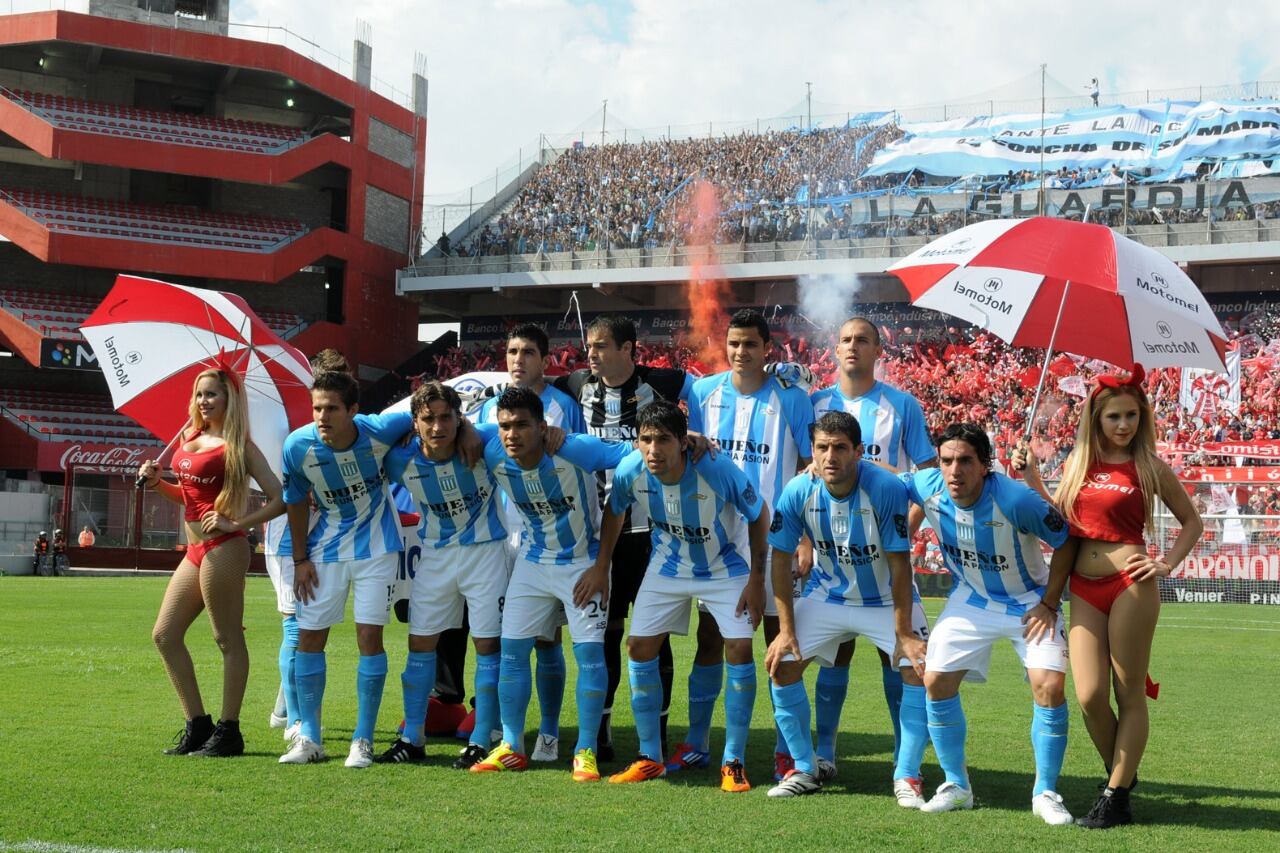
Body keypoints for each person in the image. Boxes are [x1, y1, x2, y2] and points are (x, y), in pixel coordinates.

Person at [1020, 366, 1203, 828]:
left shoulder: (1149, 466)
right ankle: (1122, 775)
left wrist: (1165, 563)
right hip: (1084, 587)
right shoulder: (1080, 464)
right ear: (1096, 420)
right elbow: (1061, 522)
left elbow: (1192, 523)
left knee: (1128, 692)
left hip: (1130, 585)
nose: (1124, 425)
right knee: (1089, 695)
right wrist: (1033, 479)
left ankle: (1115, 795)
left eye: (1131, 416)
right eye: (1114, 417)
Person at [900, 423, 1075, 825]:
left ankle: (1046, 792)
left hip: (1029, 601)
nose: (954, 470)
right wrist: (818, 469)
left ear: (985, 466)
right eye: (947, 460)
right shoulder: (928, 484)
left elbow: (1066, 541)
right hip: (971, 600)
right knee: (936, 681)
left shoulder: (1016, 499)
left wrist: (1049, 602)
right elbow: (883, 474)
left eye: (965, 461)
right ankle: (956, 786)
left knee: (1049, 686)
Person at [552, 314, 703, 762]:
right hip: (605, 533)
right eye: (589, 347)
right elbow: (540, 384)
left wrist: (695, 435)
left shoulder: (666, 382)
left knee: (655, 638)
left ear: (628, 348)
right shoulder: (579, 384)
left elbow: (715, 390)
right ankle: (599, 732)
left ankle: (653, 734)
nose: (591, 355)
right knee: (603, 634)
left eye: (600, 346)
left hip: (656, 534)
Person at [597, 401, 769, 792]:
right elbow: (614, 511)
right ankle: (649, 757)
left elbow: (759, 515)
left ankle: (733, 761)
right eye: (645, 440)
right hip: (668, 565)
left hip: (724, 568)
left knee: (739, 649)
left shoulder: (714, 468)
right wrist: (601, 565)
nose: (653, 449)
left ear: (682, 444)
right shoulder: (631, 470)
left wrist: (756, 580)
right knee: (639, 647)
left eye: (663, 440)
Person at [467, 386, 629, 783]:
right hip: (533, 563)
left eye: (522, 425)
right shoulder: (493, 450)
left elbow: (633, 453)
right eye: (505, 426)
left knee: (589, 655)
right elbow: (459, 429)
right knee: (512, 652)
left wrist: (602, 564)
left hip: (583, 564)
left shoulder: (575, 449)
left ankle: (585, 751)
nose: (511, 434)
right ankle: (511, 746)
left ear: (543, 427)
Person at [764, 411, 929, 799]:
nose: (830, 456)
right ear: (813, 452)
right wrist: (786, 632)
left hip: (885, 599)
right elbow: (780, 559)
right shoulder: (797, 490)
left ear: (858, 452)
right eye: (822, 448)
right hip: (828, 595)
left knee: (920, 671)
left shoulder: (885, 488)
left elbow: (900, 563)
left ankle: (907, 775)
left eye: (840, 448)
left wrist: (904, 633)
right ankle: (805, 768)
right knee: (781, 666)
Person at [683, 308, 814, 782]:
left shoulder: (792, 400)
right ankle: (697, 741)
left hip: (777, 538)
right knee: (710, 639)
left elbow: (808, 468)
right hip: (717, 541)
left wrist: (804, 536)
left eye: (751, 345)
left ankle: (786, 751)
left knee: (783, 641)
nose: (741, 353)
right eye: (734, 344)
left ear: (767, 349)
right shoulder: (703, 393)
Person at [810, 316, 937, 794]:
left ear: (878, 349)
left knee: (898, 657)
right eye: (844, 339)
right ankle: (823, 754)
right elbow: (802, 476)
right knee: (833, 653)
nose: (852, 347)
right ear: (834, 347)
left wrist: (908, 525)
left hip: (886, 554)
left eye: (862, 340)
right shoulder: (814, 401)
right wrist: (805, 539)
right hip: (829, 553)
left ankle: (905, 761)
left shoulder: (902, 405)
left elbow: (928, 477)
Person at [138, 364, 285, 757]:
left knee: (226, 639)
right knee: (164, 635)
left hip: (225, 547)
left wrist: (236, 521)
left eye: (212, 394)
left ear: (229, 399)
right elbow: (187, 500)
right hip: (194, 550)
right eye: (200, 393)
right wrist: (157, 484)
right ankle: (198, 725)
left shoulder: (241, 447)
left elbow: (279, 498)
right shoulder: (189, 436)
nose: (204, 401)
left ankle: (229, 730)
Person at [278, 369, 416, 767]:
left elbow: (422, 410)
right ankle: (309, 738)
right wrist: (300, 559)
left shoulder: (379, 428)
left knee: (369, 638)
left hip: (378, 549)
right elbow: (296, 501)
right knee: (309, 639)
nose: (322, 416)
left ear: (353, 410)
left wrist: (413, 434)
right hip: (325, 551)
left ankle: (363, 739)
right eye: (317, 407)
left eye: (332, 409)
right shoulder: (297, 446)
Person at [380, 381, 508, 769]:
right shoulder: (398, 461)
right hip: (434, 556)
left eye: (446, 418)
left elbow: (523, 433)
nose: (438, 427)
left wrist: (470, 428)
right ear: (415, 423)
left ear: (459, 418)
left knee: (488, 645)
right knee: (420, 643)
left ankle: (484, 736)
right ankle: (412, 737)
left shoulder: (484, 442)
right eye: (428, 419)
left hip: (486, 553)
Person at [473, 323, 586, 763]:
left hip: (550, 537)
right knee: (504, 636)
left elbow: (579, 459)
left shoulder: (562, 408)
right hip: (499, 533)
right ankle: (506, 731)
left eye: (528, 352)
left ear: (545, 359)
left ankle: (552, 733)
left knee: (548, 639)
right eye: (512, 351)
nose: (518, 359)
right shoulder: (487, 411)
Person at [267, 348, 348, 741]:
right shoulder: (287, 430)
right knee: (296, 628)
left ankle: (287, 706)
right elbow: (278, 487)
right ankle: (295, 717)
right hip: (288, 536)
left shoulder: (336, 426)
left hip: (325, 534)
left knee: (312, 628)